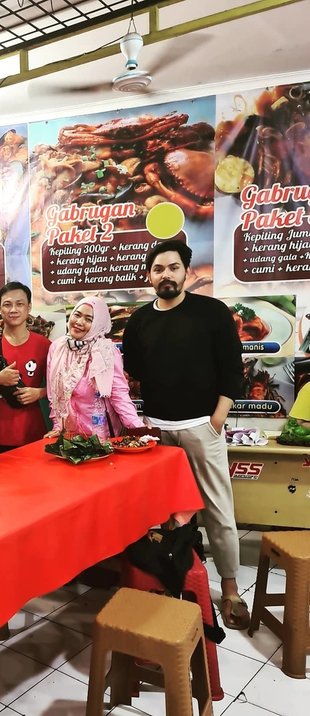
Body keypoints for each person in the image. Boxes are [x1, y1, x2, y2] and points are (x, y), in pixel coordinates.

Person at [121, 239, 249, 630]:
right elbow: (135, 374)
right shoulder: (140, 320)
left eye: (173, 268)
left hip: (201, 427)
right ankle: (174, 576)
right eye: (158, 269)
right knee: (165, 513)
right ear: (149, 276)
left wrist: (215, 420)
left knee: (217, 510)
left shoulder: (211, 312)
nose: (166, 275)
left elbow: (232, 370)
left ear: (186, 272)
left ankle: (229, 589)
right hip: (159, 430)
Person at [45, 295, 143, 439]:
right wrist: (57, 425)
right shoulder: (57, 347)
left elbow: (119, 395)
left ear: (98, 324)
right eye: (77, 315)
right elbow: (53, 393)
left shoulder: (105, 351)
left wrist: (138, 430)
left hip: (100, 436)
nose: (79, 322)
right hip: (68, 435)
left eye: (88, 319)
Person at [0, 282, 51, 457]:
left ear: (29, 307)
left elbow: (61, 388)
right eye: (7, 304)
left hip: (31, 434)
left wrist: (40, 393)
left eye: (19, 304)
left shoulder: (45, 345)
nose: (13, 309)